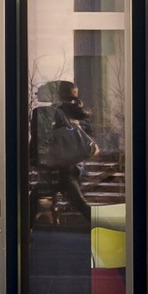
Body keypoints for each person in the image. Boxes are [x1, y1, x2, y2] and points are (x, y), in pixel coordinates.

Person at [29, 80, 93, 224]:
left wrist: (34, 159)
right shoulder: (77, 112)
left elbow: (41, 141)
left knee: (32, 204)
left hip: (56, 167)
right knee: (80, 204)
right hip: (70, 166)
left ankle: (22, 235)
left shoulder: (52, 113)